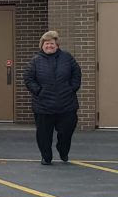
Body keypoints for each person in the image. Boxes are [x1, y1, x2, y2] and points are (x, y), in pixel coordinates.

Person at [24, 31, 81, 164]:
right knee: (44, 134)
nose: (49, 46)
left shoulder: (67, 58)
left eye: (52, 44)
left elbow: (76, 73)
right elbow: (28, 78)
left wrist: (72, 88)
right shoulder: (35, 61)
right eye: (47, 43)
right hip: (43, 105)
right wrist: (38, 91)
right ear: (42, 45)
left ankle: (63, 150)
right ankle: (46, 156)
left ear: (57, 45)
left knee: (66, 131)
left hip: (66, 104)